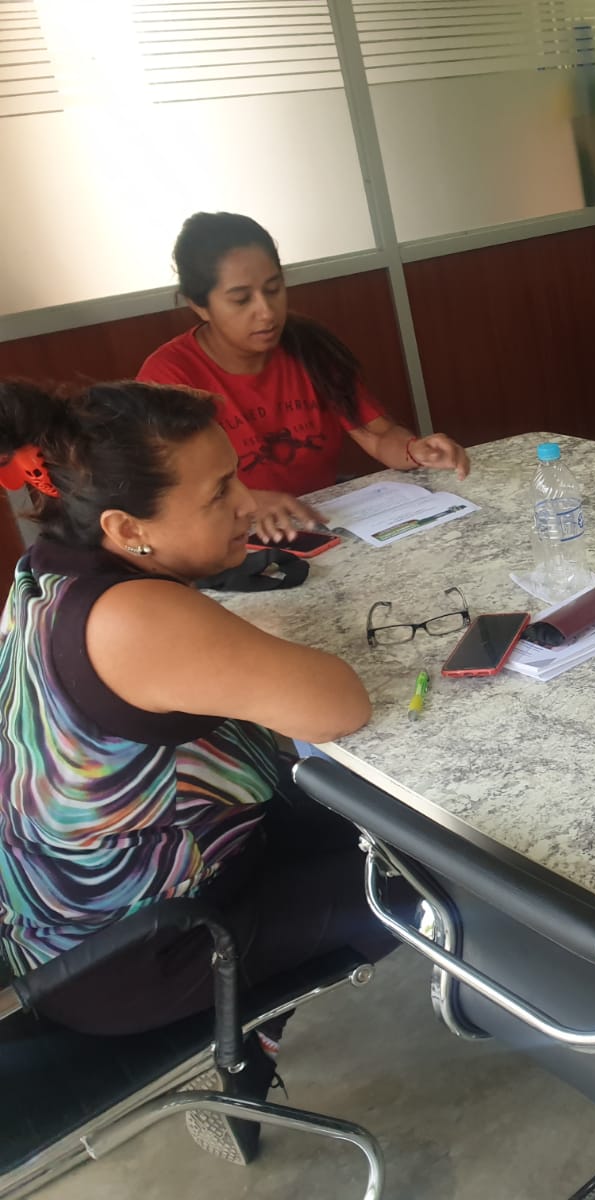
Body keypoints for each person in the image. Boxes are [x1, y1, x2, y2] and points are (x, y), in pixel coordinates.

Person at [0, 379, 394, 1162]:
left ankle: (250, 1048)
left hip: (67, 926)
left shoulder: (44, 573)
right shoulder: (136, 617)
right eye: (219, 493)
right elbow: (339, 704)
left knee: (361, 822)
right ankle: (246, 1055)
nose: (246, 504)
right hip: (151, 948)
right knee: (429, 882)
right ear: (126, 528)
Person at [137, 212, 470, 542]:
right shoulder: (170, 378)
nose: (266, 312)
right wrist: (248, 501)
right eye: (241, 300)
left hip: (319, 522)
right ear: (199, 305)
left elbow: (379, 436)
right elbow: (169, 497)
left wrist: (416, 450)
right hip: (232, 540)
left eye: (273, 289)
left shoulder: (308, 347)